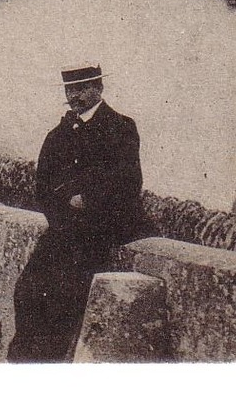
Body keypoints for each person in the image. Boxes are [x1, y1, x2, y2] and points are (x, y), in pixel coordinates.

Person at [7, 63, 144, 363]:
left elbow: (128, 183)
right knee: (28, 288)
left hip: (102, 232)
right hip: (64, 230)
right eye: (70, 90)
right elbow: (43, 186)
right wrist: (64, 211)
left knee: (65, 296)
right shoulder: (58, 135)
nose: (75, 96)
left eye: (82, 89)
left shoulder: (121, 127)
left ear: (99, 89)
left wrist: (89, 201)